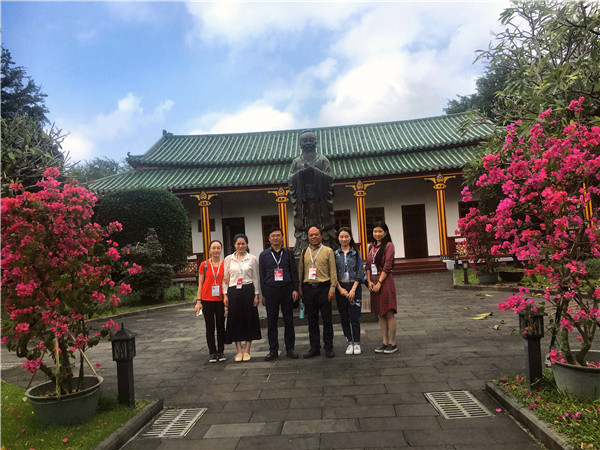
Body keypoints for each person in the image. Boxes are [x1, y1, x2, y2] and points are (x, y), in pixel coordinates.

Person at [288, 130, 336, 257]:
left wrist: (314, 171)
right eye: (305, 140)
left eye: (311, 140)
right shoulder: (296, 162)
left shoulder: (323, 160)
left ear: (316, 142)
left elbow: (330, 179)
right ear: (300, 143)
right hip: (304, 204)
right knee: (303, 229)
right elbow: (291, 180)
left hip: (320, 204)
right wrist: (301, 173)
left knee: (324, 228)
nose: (308, 143)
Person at [259, 227, 300, 360]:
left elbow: (294, 272)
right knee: (272, 321)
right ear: (269, 238)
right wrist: (264, 294)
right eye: (273, 236)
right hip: (270, 290)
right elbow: (262, 275)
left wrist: (295, 289)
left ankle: (290, 348)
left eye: (278, 235)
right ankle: (273, 349)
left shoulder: (288, 252)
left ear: (282, 237)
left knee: (289, 320)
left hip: (286, 289)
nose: (275, 238)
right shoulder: (264, 255)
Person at [298, 226, 337, 358]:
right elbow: (300, 272)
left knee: (327, 319)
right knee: (312, 321)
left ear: (321, 235)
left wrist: (332, 289)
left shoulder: (328, 251)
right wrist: (300, 288)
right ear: (308, 237)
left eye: (316, 234)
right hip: (308, 289)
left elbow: (333, 272)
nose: (313, 237)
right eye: (311, 235)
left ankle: (328, 347)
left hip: (324, 288)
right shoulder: (304, 252)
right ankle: (314, 347)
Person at [222, 234, 261, 362]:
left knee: (249, 319)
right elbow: (225, 278)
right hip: (233, 291)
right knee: (235, 320)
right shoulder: (228, 259)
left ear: (247, 244)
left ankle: (247, 350)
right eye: (238, 244)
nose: (241, 246)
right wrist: (225, 294)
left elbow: (255, 277)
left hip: (248, 290)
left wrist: (256, 295)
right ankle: (239, 351)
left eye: (243, 243)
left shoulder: (252, 259)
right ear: (234, 245)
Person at [366, 221, 398, 354]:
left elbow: (387, 266)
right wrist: (369, 281)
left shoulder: (388, 246)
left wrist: (379, 282)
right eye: (375, 231)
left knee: (388, 312)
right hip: (373, 282)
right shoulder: (371, 247)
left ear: (385, 232)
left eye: (380, 231)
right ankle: (384, 342)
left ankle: (392, 343)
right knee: (381, 313)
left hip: (385, 282)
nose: (377, 234)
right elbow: (368, 266)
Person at [195, 240, 226, 363]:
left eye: (218, 248)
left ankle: (221, 351)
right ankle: (212, 352)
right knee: (210, 327)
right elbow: (200, 284)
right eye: (213, 248)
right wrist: (198, 301)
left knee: (221, 326)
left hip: (220, 300)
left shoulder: (225, 264)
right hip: (207, 300)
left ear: (221, 250)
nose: (216, 250)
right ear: (209, 250)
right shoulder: (204, 265)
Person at [334, 227, 364, 355]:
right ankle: (349, 342)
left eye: (346, 236)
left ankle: (357, 342)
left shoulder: (356, 253)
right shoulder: (335, 254)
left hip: (354, 287)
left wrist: (353, 289)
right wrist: (340, 289)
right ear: (338, 238)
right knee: (344, 317)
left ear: (350, 237)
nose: (344, 239)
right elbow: (333, 273)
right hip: (341, 288)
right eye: (341, 237)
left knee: (354, 316)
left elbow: (360, 272)